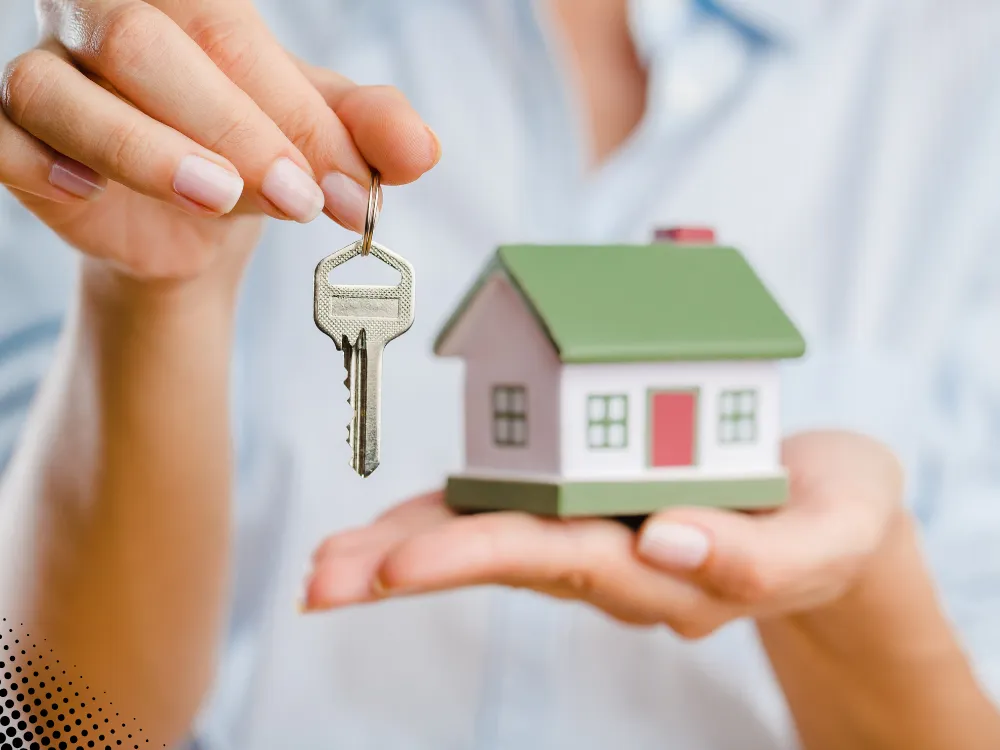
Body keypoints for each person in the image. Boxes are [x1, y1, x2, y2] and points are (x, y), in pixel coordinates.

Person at [1, 0, 999, 747]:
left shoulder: (957, 78)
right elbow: (52, 723)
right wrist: (153, 298)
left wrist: (853, 598)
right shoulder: (142, 38)